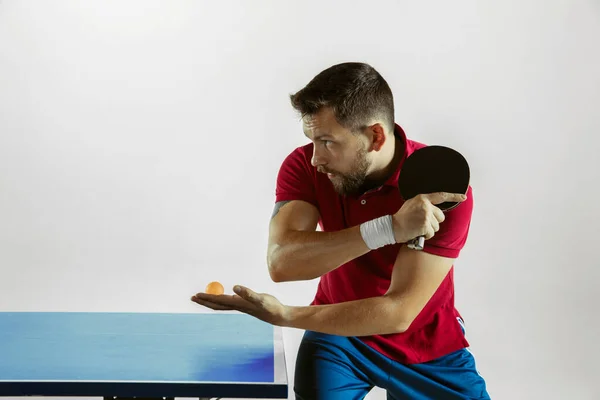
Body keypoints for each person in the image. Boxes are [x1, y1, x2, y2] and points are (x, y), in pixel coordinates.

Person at [191, 62, 490, 399]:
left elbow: (399, 313)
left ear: (375, 136)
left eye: (328, 141)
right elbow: (282, 263)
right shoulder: (305, 166)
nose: (316, 158)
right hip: (337, 335)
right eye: (311, 140)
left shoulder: (443, 189)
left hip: (426, 345)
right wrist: (389, 228)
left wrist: (287, 315)